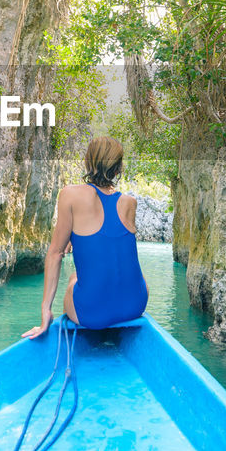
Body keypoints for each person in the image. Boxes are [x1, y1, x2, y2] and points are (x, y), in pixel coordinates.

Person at [22, 136, 149, 338]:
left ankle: (80, 335)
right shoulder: (129, 202)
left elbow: (55, 253)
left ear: (88, 162)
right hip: (136, 304)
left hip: (92, 314)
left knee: (74, 278)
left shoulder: (70, 195)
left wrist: (46, 311)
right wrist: (76, 238)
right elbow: (111, 241)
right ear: (118, 169)